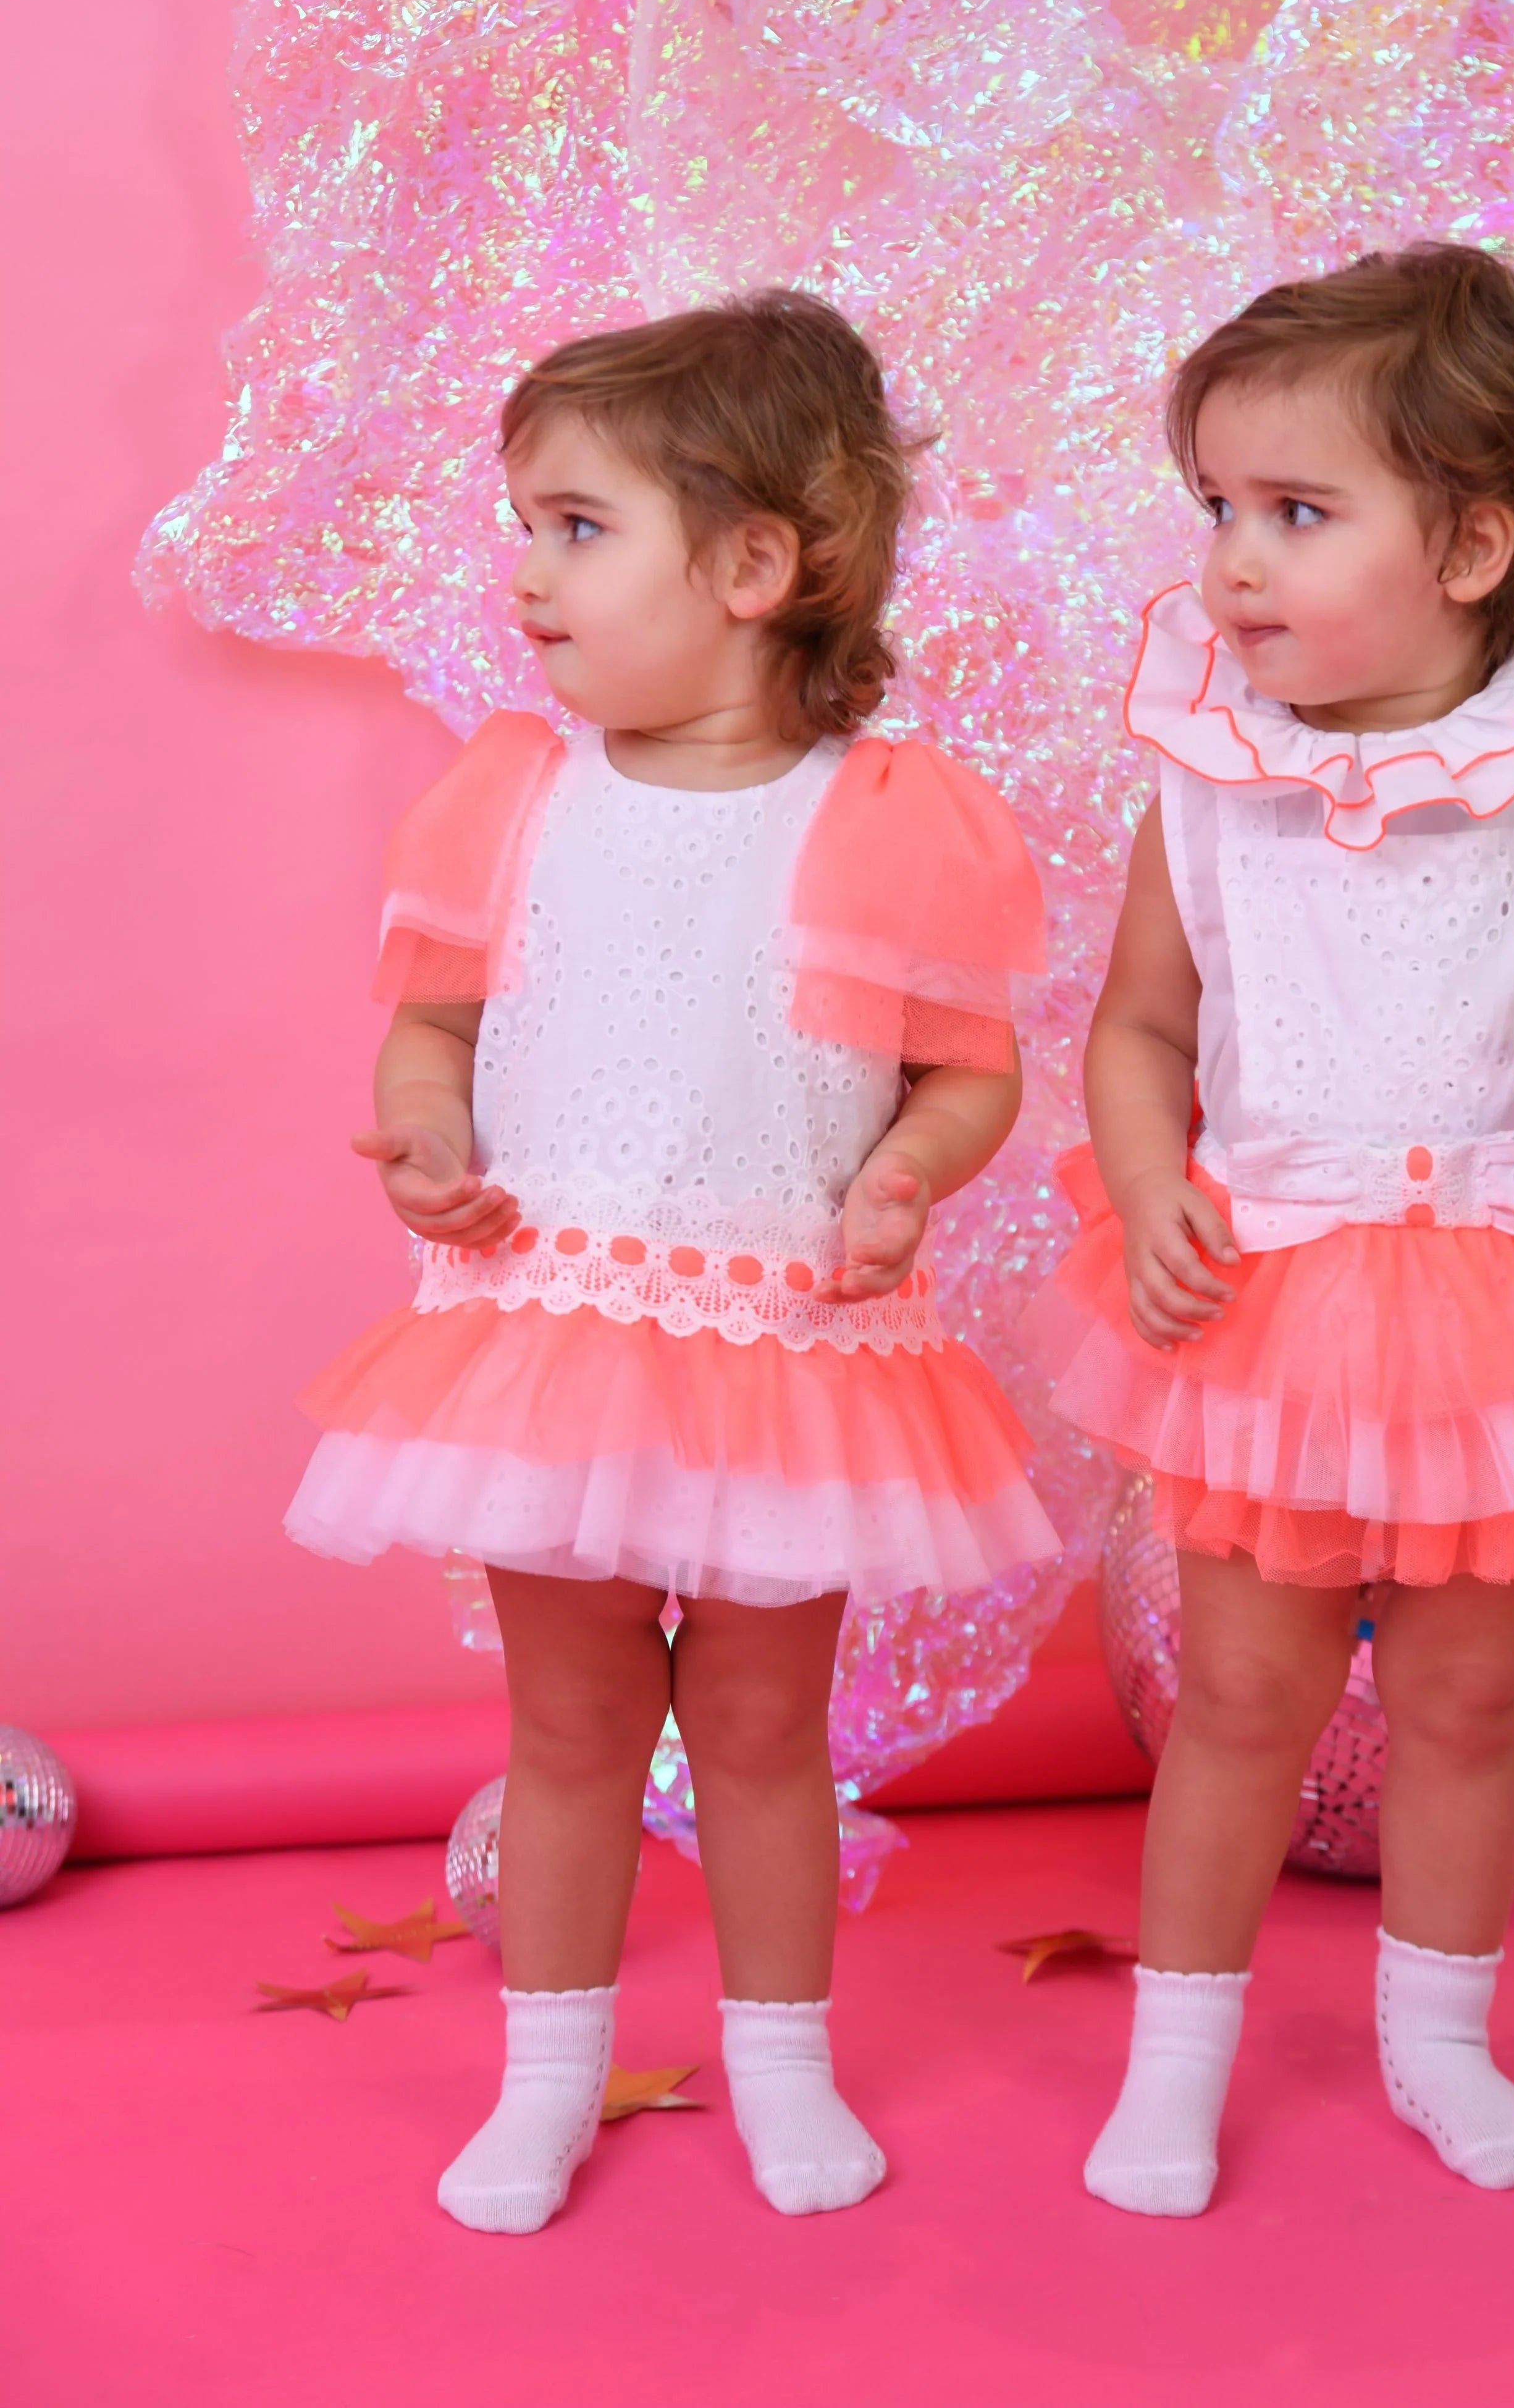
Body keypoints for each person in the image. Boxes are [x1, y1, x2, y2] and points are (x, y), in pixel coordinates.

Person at [287, 289, 1058, 2232]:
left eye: (576, 526)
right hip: (557, 1329)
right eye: (522, 527)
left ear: (752, 565)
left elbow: (967, 1073)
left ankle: (783, 2064)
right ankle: (548, 2081)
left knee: (765, 1732)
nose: (527, 576)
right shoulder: (518, 795)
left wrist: (907, 1180)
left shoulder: (885, 815)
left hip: (786, 1344)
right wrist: (434, 1145)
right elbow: (434, 1028)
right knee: (565, 1730)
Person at [1032, 242, 1514, 2214]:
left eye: (1295, 512)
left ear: (1465, 548)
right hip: (1276, 1292)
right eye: (1216, 510)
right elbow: (1140, 1025)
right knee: (1241, 1699)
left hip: (1513, 1295)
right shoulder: (1211, 792)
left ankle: (1437, 2041)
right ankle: (1179, 2059)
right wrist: (1140, 1184)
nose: (1234, 565)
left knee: (1466, 1702)